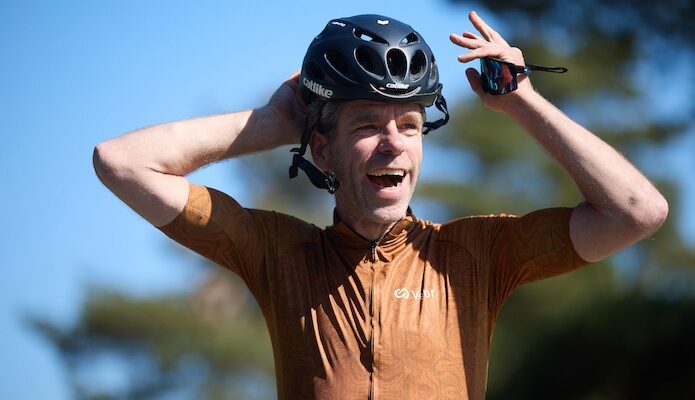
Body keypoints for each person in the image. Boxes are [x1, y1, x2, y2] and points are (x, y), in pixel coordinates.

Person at [93, 11, 668, 400]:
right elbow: (121, 162)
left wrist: (522, 101)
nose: (394, 143)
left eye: (410, 126)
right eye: (367, 125)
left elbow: (637, 211)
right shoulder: (277, 253)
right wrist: (271, 123)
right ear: (323, 150)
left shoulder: (476, 253)